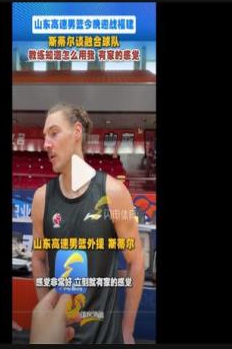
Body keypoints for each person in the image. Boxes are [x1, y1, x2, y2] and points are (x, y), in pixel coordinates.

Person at [31, 103, 144, 344]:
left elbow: (136, 261)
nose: (46, 144)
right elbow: (38, 259)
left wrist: (127, 330)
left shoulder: (113, 192)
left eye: (54, 133)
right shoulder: (42, 198)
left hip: (106, 337)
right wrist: (48, 315)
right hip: (61, 338)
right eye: (44, 136)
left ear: (77, 132)